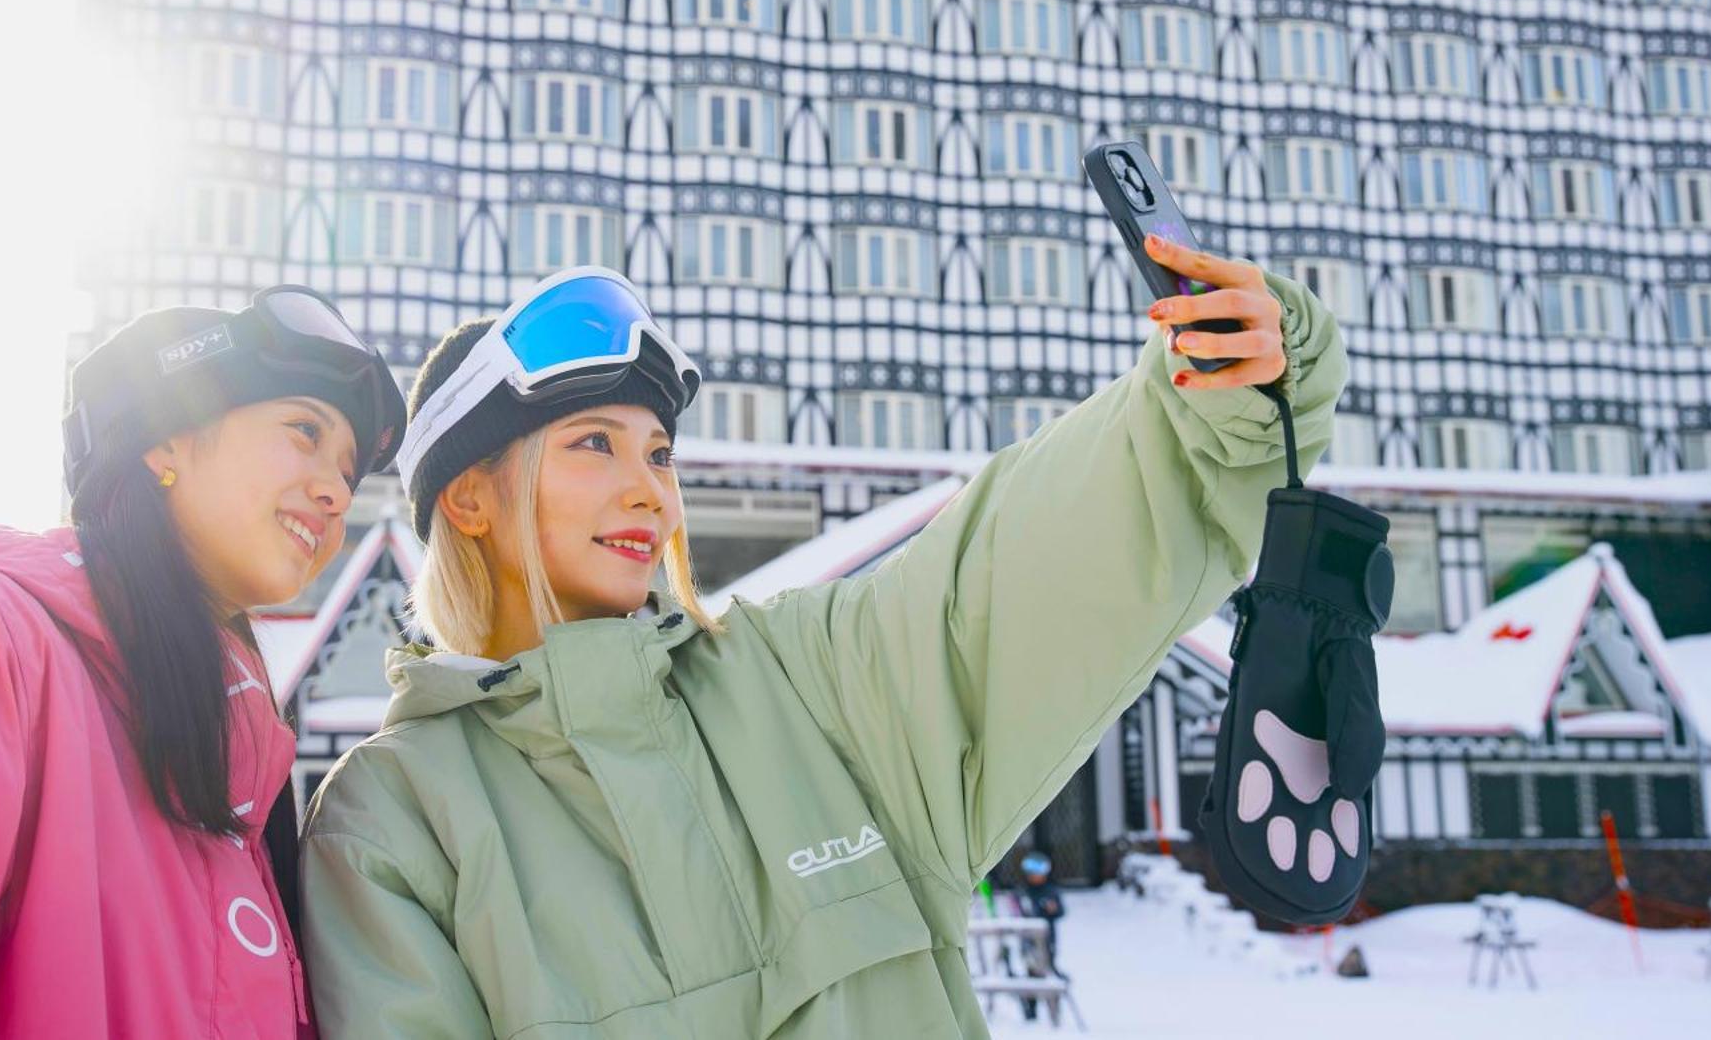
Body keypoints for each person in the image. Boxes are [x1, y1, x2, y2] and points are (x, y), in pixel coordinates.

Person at [302, 237, 1346, 1040]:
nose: (648, 489)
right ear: (471, 498)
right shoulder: (389, 820)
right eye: (592, 443)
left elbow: (1008, 573)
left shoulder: (806, 685)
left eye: (660, 452)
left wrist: (1212, 401)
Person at [0, 287, 405, 1039]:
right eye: (305, 431)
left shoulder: (252, 763)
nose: (336, 491)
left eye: (350, 470)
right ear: (163, 439)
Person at [1014, 851, 1067, 1018]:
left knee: (1049, 973)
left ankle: (1054, 1011)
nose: (1036, 876)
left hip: (1047, 941)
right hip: (1028, 942)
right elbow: (1018, 913)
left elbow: (1060, 911)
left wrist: (1053, 909)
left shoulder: (1051, 891)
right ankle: (1031, 1012)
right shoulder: (1023, 892)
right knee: (1031, 974)